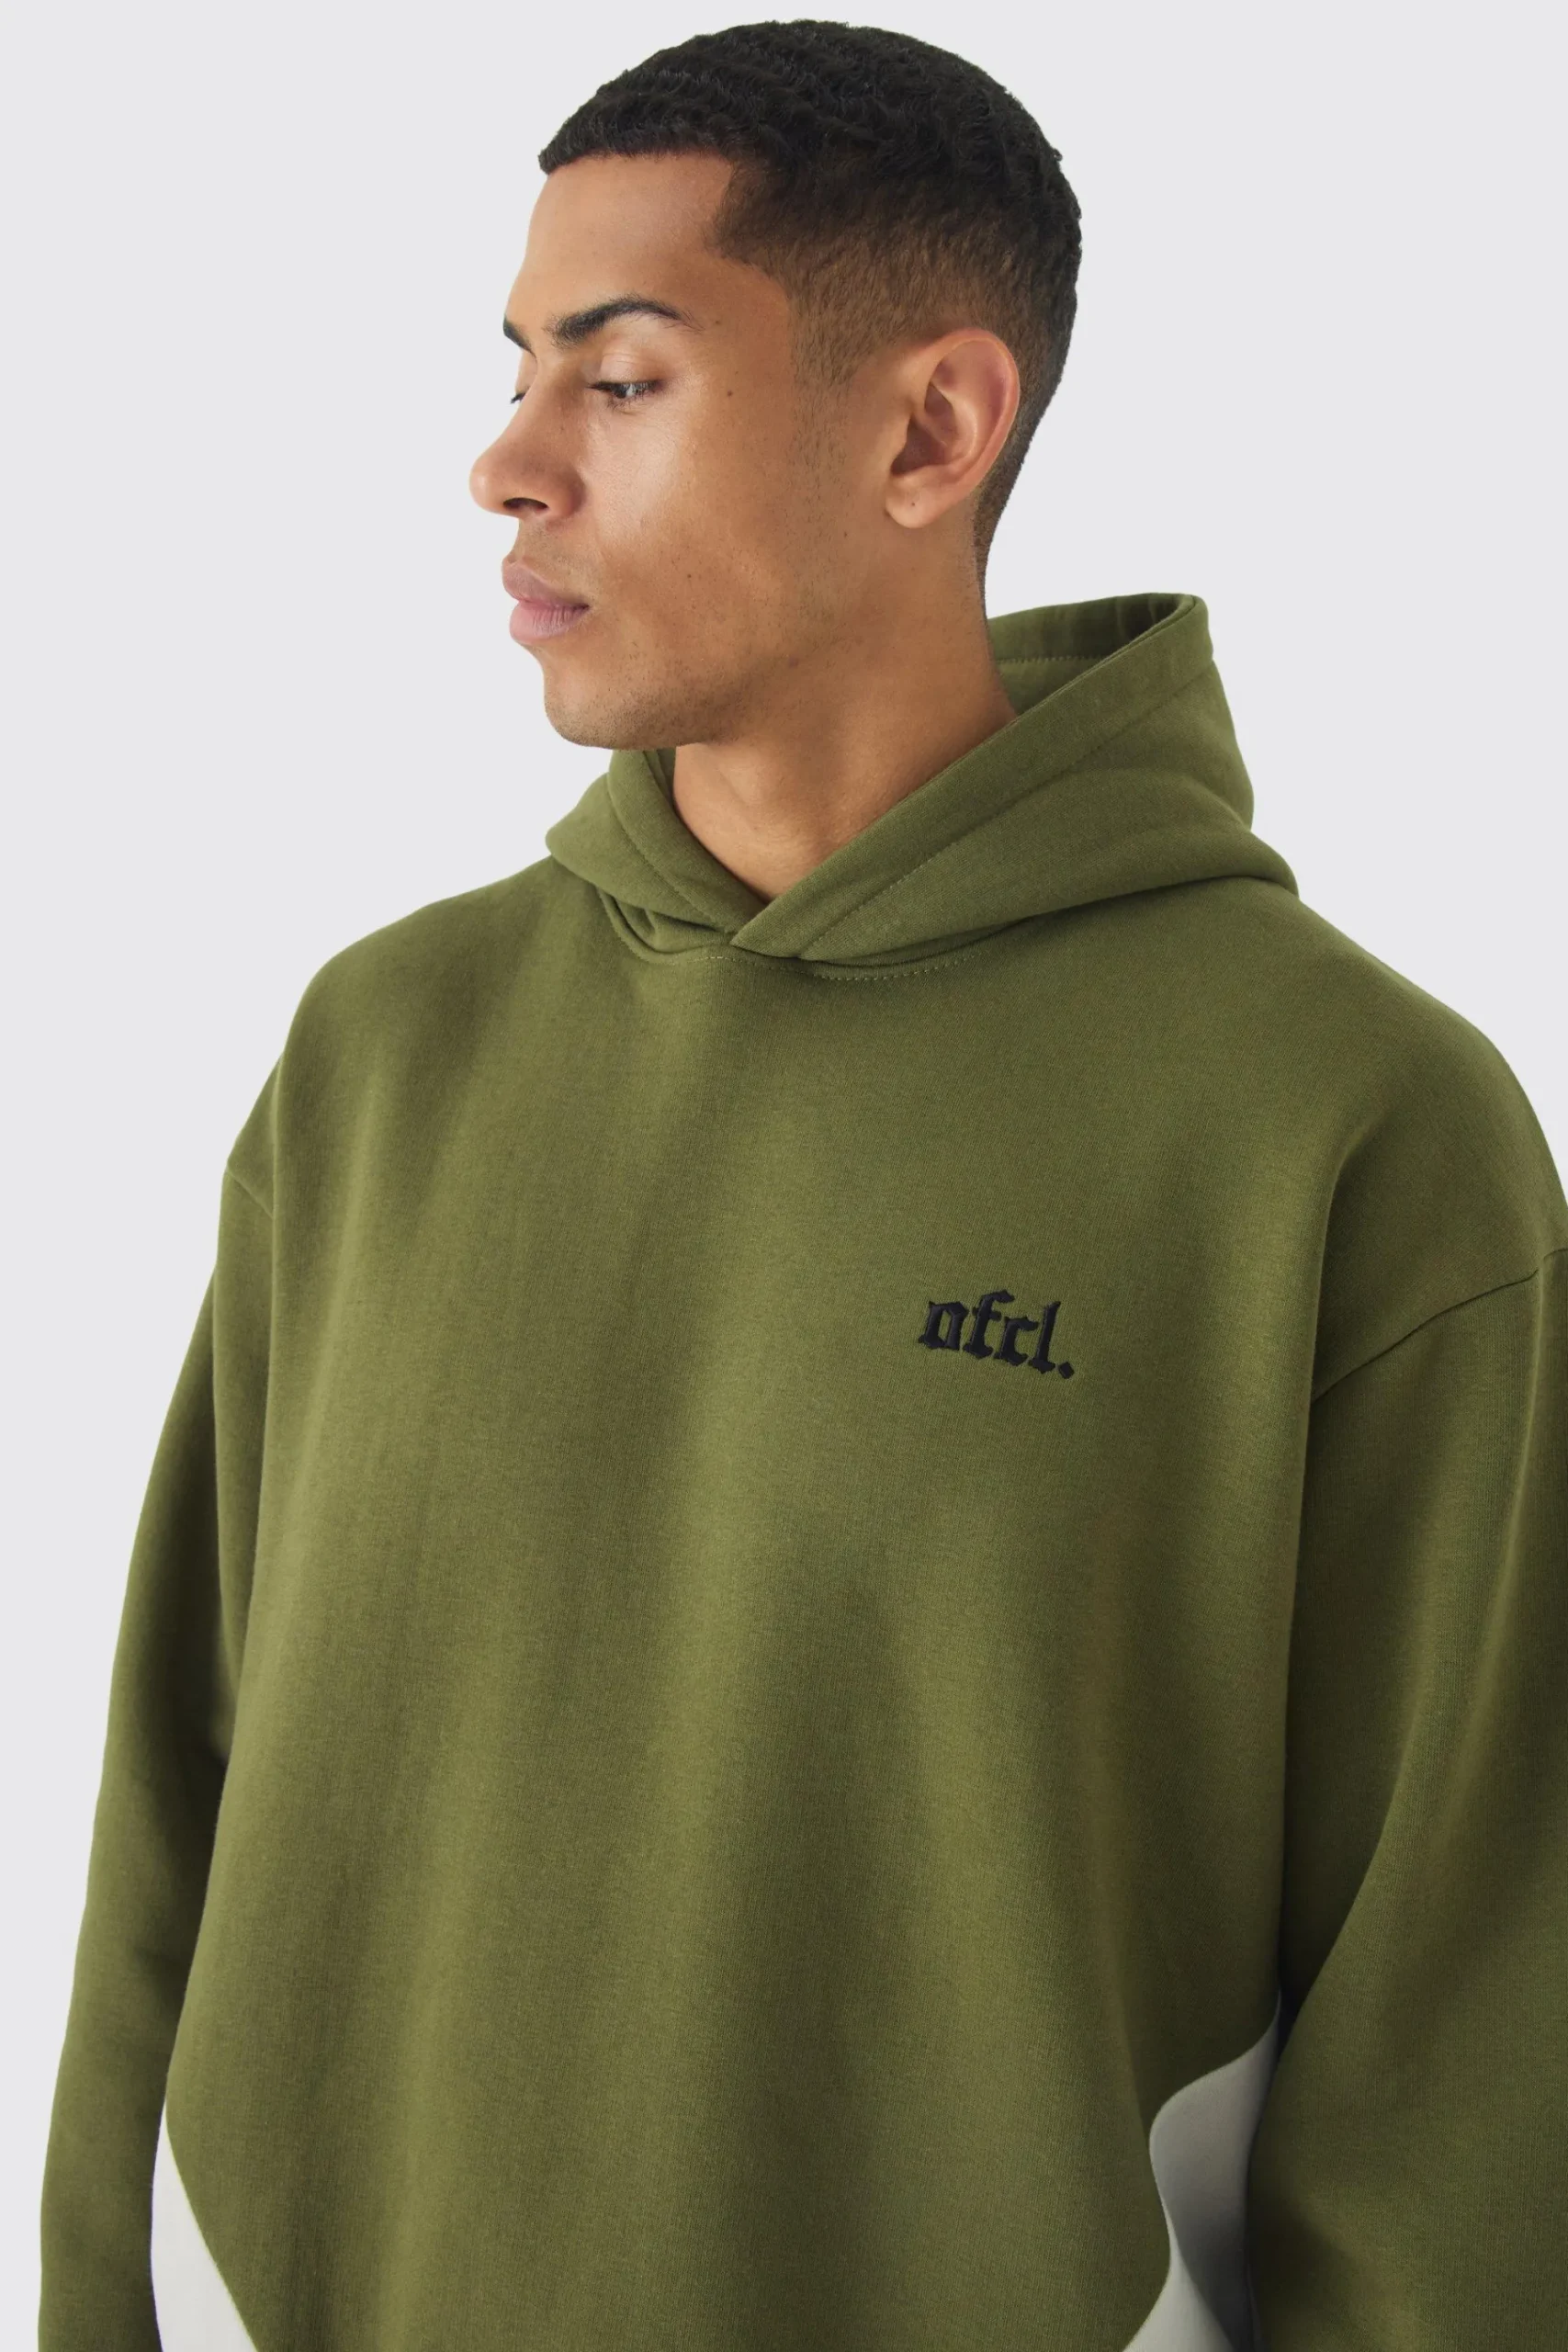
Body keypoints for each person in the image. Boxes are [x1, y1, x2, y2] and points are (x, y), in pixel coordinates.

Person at [39, 19, 1568, 2351]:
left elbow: (1459, 2041)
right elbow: (174, 1811)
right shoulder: (387, 1049)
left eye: (619, 377)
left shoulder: (1346, 1125)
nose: (505, 461)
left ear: (931, 429)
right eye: (517, 371)